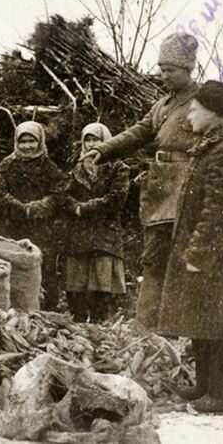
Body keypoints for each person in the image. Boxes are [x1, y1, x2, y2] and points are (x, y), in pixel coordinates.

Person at [83, 32, 202, 330]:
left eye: (170, 70)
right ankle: (146, 327)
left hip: (187, 191)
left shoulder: (202, 103)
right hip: (160, 192)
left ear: (188, 69)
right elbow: (137, 133)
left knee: (183, 263)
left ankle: (181, 328)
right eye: (161, 69)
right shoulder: (161, 106)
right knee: (153, 260)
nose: (163, 76)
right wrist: (103, 149)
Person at [159, 81, 223, 413]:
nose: (189, 114)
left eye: (193, 109)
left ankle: (221, 397)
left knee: (221, 326)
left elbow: (220, 211)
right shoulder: (211, 146)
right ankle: (204, 386)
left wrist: (199, 254)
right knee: (202, 320)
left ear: (212, 113)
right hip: (211, 258)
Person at [0, 121, 66, 311]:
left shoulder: (49, 167)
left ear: (40, 141)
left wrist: (37, 207)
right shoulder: (6, 165)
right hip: (10, 225)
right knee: (10, 264)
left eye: (31, 141)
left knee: (41, 265)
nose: (27, 146)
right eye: (22, 142)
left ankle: (46, 309)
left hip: (39, 226)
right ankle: (11, 308)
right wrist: (19, 207)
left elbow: (59, 193)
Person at [62, 123, 130, 322]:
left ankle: (100, 328)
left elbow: (117, 198)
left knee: (102, 285)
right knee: (77, 287)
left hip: (105, 233)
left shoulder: (118, 167)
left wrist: (85, 208)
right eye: (88, 139)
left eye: (96, 139)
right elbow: (64, 196)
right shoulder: (77, 169)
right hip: (80, 233)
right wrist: (74, 206)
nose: (92, 144)